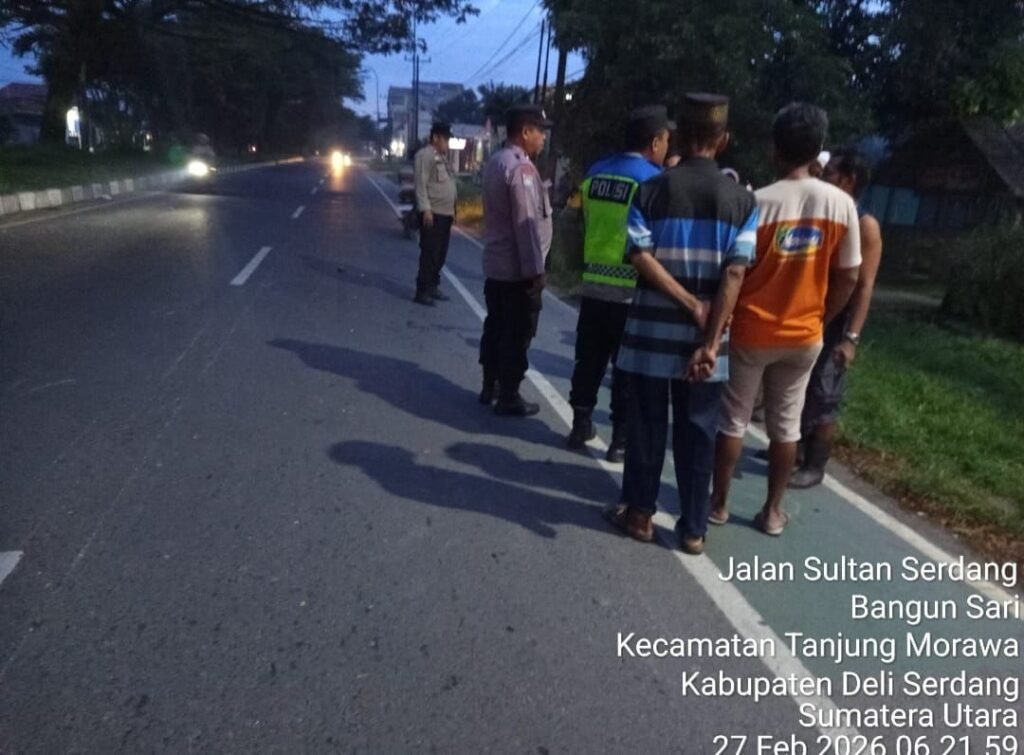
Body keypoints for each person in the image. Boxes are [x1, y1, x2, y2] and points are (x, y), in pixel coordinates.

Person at [605, 93, 758, 554]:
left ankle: (639, 515)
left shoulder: (651, 191)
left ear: (678, 138)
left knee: (647, 425)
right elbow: (735, 273)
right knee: (699, 431)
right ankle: (693, 530)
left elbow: (639, 256)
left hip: (650, 336)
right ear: (723, 140)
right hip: (706, 345)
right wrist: (710, 341)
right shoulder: (743, 201)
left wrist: (689, 303)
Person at [708, 103, 862, 537]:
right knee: (787, 426)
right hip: (806, 333)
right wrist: (824, 315)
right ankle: (772, 512)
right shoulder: (841, 205)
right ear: (818, 150)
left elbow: (735, 270)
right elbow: (850, 275)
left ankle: (719, 504)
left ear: (774, 149)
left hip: (752, 329)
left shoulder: (758, 202)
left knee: (733, 419)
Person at [567, 105, 673, 462]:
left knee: (588, 359)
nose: (666, 147)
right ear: (654, 142)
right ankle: (621, 441)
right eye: (665, 140)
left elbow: (580, 222)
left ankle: (580, 424)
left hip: (593, 285)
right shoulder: (654, 180)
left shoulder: (595, 172)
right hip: (633, 291)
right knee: (626, 368)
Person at [790, 148, 883, 488]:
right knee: (800, 383)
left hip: (838, 321)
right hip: (812, 312)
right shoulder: (827, 215)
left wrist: (851, 338)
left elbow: (864, 285)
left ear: (848, 180)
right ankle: (794, 448)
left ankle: (815, 463)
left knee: (825, 391)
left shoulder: (864, 224)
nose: (823, 178)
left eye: (830, 174)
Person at [478, 104, 554, 416]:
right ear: (525, 132)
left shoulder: (496, 161)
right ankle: (509, 394)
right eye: (540, 132)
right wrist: (535, 271)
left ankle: (490, 385)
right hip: (517, 270)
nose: (543, 139)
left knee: (495, 326)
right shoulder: (521, 169)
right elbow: (526, 226)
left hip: (497, 265)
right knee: (517, 332)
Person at [413, 122, 458, 305]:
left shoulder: (442, 157)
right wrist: (425, 209)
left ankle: (433, 285)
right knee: (429, 254)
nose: (447, 143)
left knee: (440, 254)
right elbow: (420, 184)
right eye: (445, 139)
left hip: (445, 214)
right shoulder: (425, 155)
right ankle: (422, 291)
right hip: (433, 214)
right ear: (435, 138)